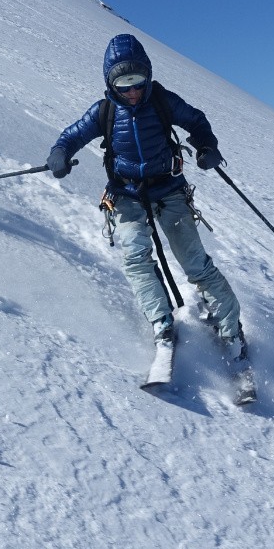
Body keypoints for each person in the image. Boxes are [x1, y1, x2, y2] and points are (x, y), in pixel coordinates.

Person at [47, 34, 244, 353]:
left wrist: (207, 147)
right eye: (124, 84)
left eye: (138, 81)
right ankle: (162, 323)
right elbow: (71, 136)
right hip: (126, 195)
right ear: (111, 84)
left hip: (169, 190)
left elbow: (196, 121)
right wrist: (59, 153)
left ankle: (231, 330)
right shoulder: (103, 112)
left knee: (195, 264)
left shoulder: (163, 102)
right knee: (135, 256)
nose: (133, 91)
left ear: (148, 75)